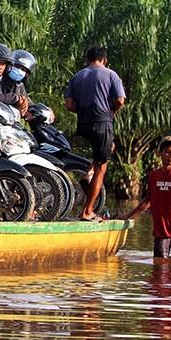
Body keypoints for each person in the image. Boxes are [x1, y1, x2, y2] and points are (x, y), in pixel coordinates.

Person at [64, 46, 126, 221]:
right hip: (102, 123)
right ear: (104, 60)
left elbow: (69, 105)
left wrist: (84, 112)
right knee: (102, 167)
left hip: (83, 124)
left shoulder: (78, 76)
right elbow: (120, 101)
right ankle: (87, 211)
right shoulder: (111, 74)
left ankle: (88, 174)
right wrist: (110, 113)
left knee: (108, 147)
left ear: (87, 61)